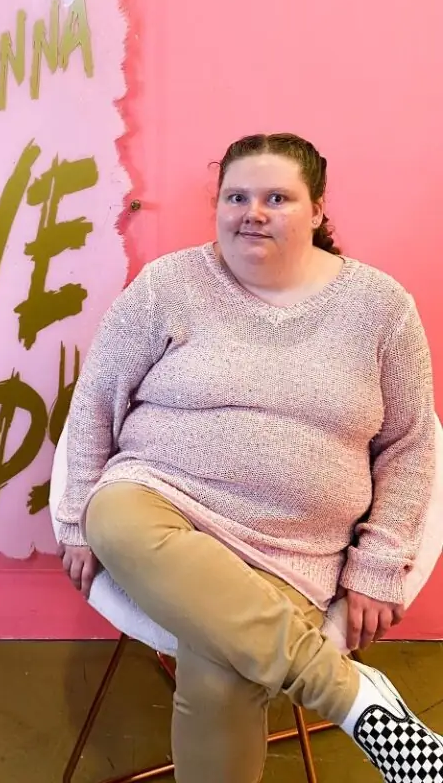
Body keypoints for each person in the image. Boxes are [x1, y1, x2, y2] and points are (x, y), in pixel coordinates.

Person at [55, 133, 441, 783]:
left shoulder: (381, 310)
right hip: (160, 509)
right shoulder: (169, 286)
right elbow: (95, 397)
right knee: (112, 516)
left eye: (276, 197)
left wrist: (377, 562)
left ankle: (342, 692)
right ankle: (346, 695)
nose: (252, 211)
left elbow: (410, 444)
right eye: (237, 196)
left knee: (223, 674)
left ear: (317, 209)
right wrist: (74, 516)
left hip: (291, 547)